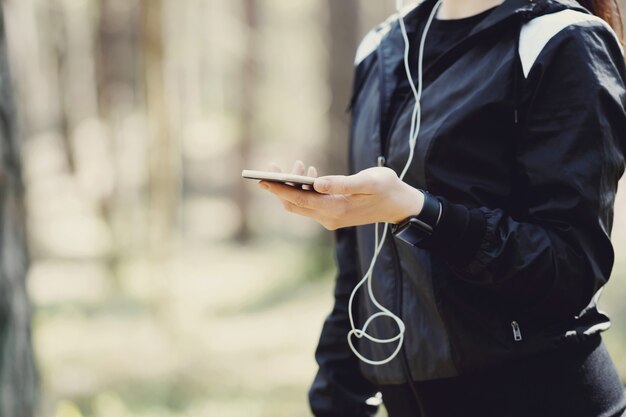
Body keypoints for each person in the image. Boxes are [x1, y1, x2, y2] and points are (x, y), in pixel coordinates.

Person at [258, 0, 626, 415]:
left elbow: (570, 269)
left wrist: (420, 214)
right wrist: (334, 401)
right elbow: (362, 266)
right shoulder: (381, 49)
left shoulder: (561, 39)